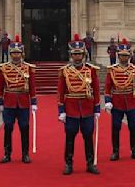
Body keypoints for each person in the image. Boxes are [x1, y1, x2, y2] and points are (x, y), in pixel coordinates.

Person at [57, 34, 100, 175]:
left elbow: (96, 90)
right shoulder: (65, 71)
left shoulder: (91, 70)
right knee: (70, 138)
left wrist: (97, 108)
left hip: (87, 108)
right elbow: (61, 91)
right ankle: (68, 163)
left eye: (79, 54)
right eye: (75, 54)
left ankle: (90, 163)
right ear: (71, 55)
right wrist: (61, 110)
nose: (77, 56)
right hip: (71, 109)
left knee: (88, 137)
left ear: (83, 54)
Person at [0, 35, 36, 164]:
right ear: (10, 54)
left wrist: (34, 102)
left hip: (23, 102)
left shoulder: (28, 68)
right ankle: (7, 154)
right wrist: (0, 102)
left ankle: (25, 154)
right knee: (8, 128)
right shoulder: (4, 68)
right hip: (9, 102)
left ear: (22, 54)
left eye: (18, 53)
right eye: (13, 53)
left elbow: (32, 86)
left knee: (24, 128)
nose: (16, 55)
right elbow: (0, 86)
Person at [104, 38, 135, 161]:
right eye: (121, 56)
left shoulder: (133, 70)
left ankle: (134, 150)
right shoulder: (112, 70)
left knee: (133, 126)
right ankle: (115, 151)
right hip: (117, 102)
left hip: (131, 101)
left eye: (126, 56)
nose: (124, 58)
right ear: (118, 56)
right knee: (116, 127)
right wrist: (107, 101)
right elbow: (108, 86)